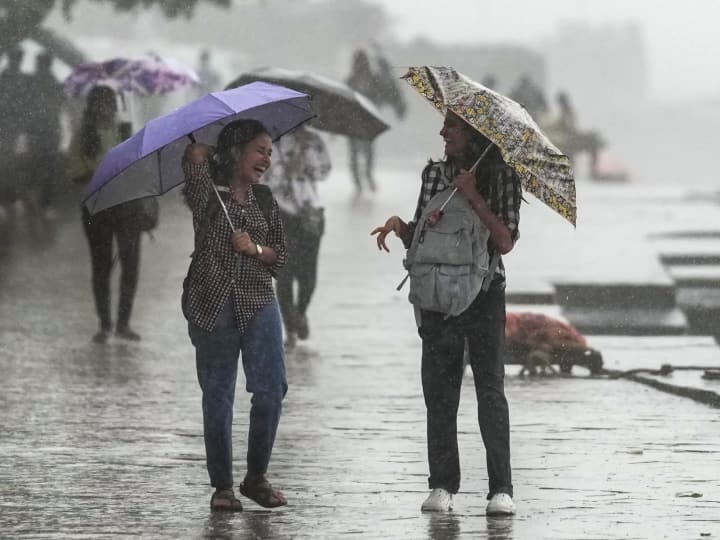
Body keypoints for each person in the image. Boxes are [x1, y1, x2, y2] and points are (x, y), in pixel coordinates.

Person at [371, 110, 522, 516]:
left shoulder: (504, 177)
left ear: (475, 132)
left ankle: (500, 489)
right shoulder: (433, 175)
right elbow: (426, 231)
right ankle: (442, 484)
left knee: (490, 392)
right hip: (436, 296)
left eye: (452, 126)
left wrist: (473, 194)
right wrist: (401, 227)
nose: (443, 132)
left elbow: (505, 241)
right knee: (439, 394)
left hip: (485, 293)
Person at [181, 119, 289, 511]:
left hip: (259, 300)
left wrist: (254, 249)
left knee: (271, 389)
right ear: (238, 151)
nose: (267, 159)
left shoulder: (264, 199)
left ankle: (256, 477)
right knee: (218, 393)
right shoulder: (207, 195)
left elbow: (280, 254)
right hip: (212, 304)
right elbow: (193, 161)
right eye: (259, 150)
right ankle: (223, 486)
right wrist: (206, 153)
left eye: (270, 153)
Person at [66, 85, 143, 343]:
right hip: (96, 208)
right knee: (101, 267)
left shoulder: (125, 132)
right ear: (92, 108)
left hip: (127, 207)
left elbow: (138, 167)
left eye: (109, 104)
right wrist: (100, 172)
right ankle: (105, 324)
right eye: (100, 105)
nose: (105, 110)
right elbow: (75, 172)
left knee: (130, 266)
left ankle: (124, 323)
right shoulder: (83, 136)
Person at [262, 124, 331, 348]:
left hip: (310, 213)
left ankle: (300, 313)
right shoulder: (272, 143)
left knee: (308, 271)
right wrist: (286, 169)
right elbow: (266, 179)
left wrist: (306, 164)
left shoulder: (314, 141)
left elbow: (325, 171)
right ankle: (290, 325)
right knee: (284, 272)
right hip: (282, 212)